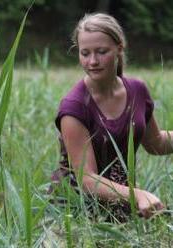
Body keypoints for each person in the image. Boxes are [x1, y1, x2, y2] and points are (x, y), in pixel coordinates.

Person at [50, 13, 173, 222]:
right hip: (75, 212)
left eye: (101, 52)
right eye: (85, 53)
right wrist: (138, 195)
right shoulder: (74, 107)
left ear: (119, 48)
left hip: (122, 206)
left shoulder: (137, 91)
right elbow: (86, 179)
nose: (92, 61)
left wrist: (134, 198)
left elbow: (157, 144)